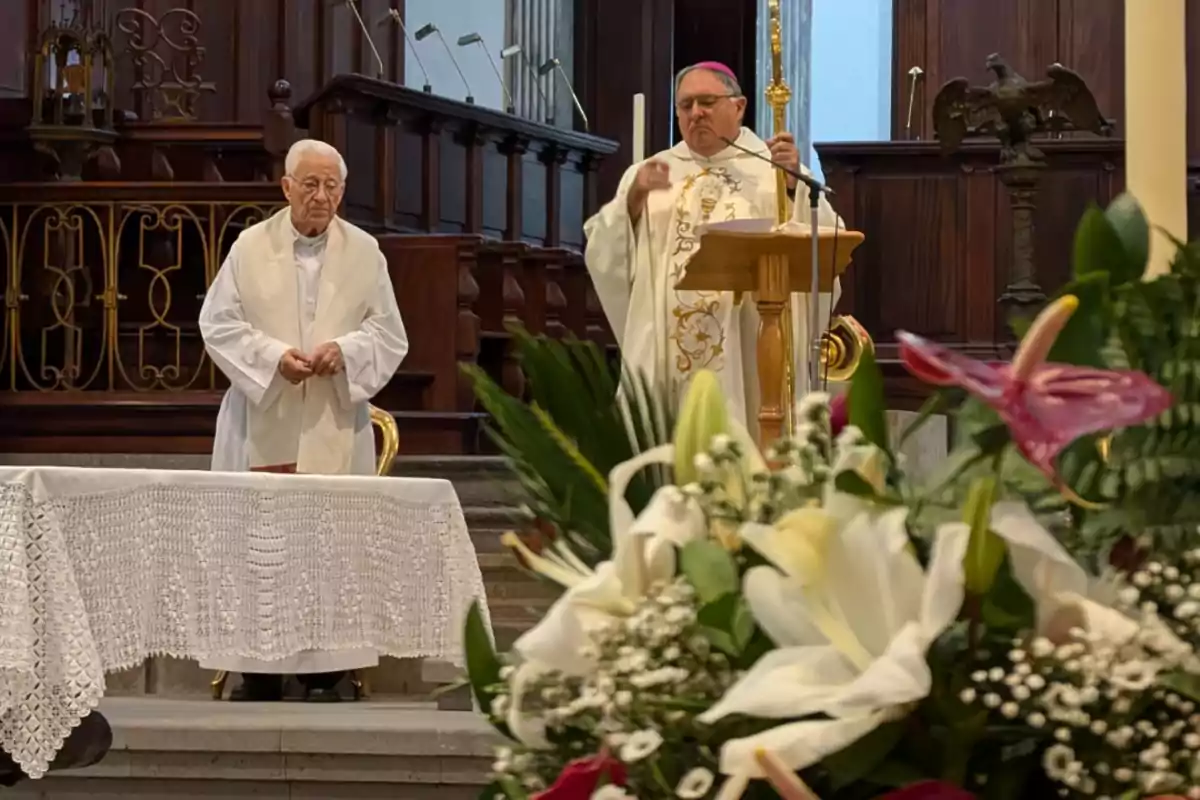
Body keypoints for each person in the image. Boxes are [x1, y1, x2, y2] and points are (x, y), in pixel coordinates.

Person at [197, 138, 409, 702]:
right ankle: (257, 671)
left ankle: (326, 672)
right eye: (310, 185)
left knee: (330, 548)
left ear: (344, 190)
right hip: (260, 419)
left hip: (332, 421)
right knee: (259, 546)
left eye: (332, 186)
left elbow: (390, 334)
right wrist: (272, 360)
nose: (321, 196)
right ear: (286, 187)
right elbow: (217, 323)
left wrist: (345, 350)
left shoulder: (365, 252)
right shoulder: (249, 247)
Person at [584, 61, 843, 430]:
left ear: (738, 107)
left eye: (707, 102)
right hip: (666, 353)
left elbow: (828, 246)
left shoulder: (772, 168)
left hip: (749, 341)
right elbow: (603, 253)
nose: (696, 113)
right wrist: (632, 203)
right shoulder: (651, 173)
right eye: (685, 105)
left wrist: (793, 188)